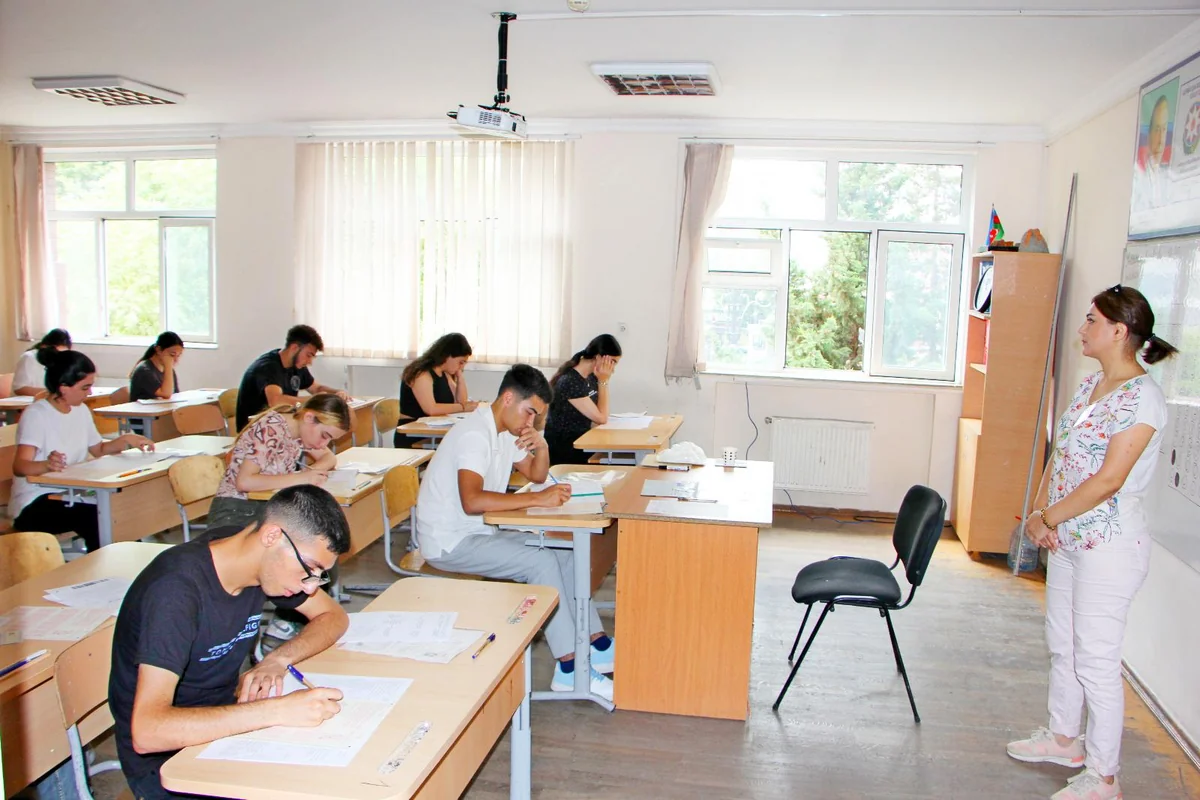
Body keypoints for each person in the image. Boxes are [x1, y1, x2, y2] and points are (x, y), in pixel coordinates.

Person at [1007, 285, 1178, 800]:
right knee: (1063, 645)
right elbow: (1060, 454)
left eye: (1091, 321)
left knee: (1096, 659)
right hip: (1068, 540)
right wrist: (1039, 513)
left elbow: (1108, 480)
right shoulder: (1092, 384)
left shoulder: (1142, 399)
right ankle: (1064, 739)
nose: (1082, 329)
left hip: (1110, 547)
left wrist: (1046, 517)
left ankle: (1104, 776)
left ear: (1119, 331)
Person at [109, 485, 351, 800]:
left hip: (225, 723)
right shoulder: (175, 592)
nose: (309, 588)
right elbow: (148, 732)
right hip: (167, 761)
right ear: (272, 536)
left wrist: (277, 660)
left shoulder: (248, 557)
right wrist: (276, 711)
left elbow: (333, 616)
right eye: (309, 569)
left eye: (319, 575)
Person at [415, 364, 616, 699]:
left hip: (480, 533)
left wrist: (542, 446)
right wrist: (538, 499)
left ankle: (598, 645)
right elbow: (472, 501)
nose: (530, 422)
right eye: (530, 412)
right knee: (541, 562)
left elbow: (537, 475)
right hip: (449, 541)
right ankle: (569, 668)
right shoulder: (474, 435)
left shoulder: (504, 431)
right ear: (508, 398)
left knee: (564, 553)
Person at [10, 349, 154, 551]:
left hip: (70, 493)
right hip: (35, 501)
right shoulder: (37, 415)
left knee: (118, 511)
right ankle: (108, 565)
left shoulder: (81, 410)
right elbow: (20, 466)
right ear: (63, 388)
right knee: (95, 516)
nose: (90, 393)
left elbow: (99, 449)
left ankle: (130, 561)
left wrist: (125, 440)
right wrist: (46, 465)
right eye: (85, 387)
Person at [235, 325, 349, 431]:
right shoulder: (268, 367)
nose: (309, 361)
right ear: (294, 348)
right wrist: (314, 400)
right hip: (255, 429)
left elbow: (317, 388)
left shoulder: (297, 364)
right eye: (308, 355)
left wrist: (336, 393)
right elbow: (275, 401)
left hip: (278, 423)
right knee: (313, 429)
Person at [544, 334, 622, 465]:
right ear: (598, 357)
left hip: (584, 441)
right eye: (612, 362)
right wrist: (603, 381)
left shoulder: (591, 377)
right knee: (617, 462)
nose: (612, 368)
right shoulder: (571, 381)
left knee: (619, 457)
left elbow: (599, 416)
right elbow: (601, 418)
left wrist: (601, 380)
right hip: (567, 449)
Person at [394, 332, 480, 448]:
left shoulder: (444, 373)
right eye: (460, 362)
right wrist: (463, 407)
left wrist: (460, 376)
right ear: (448, 356)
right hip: (413, 435)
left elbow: (461, 401)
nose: (461, 366)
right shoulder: (422, 374)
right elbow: (431, 409)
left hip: (431, 432)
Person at [11, 328, 72, 396]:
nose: (59, 356)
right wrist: (52, 393)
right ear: (44, 347)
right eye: (56, 352)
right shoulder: (29, 357)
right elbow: (19, 389)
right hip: (32, 400)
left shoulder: (66, 360)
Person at [129, 331, 184, 402]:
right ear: (158, 350)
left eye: (178, 356)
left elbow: (175, 395)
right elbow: (166, 394)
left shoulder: (169, 371)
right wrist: (168, 366)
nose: (176, 360)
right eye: (172, 355)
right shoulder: (144, 371)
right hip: (143, 409)